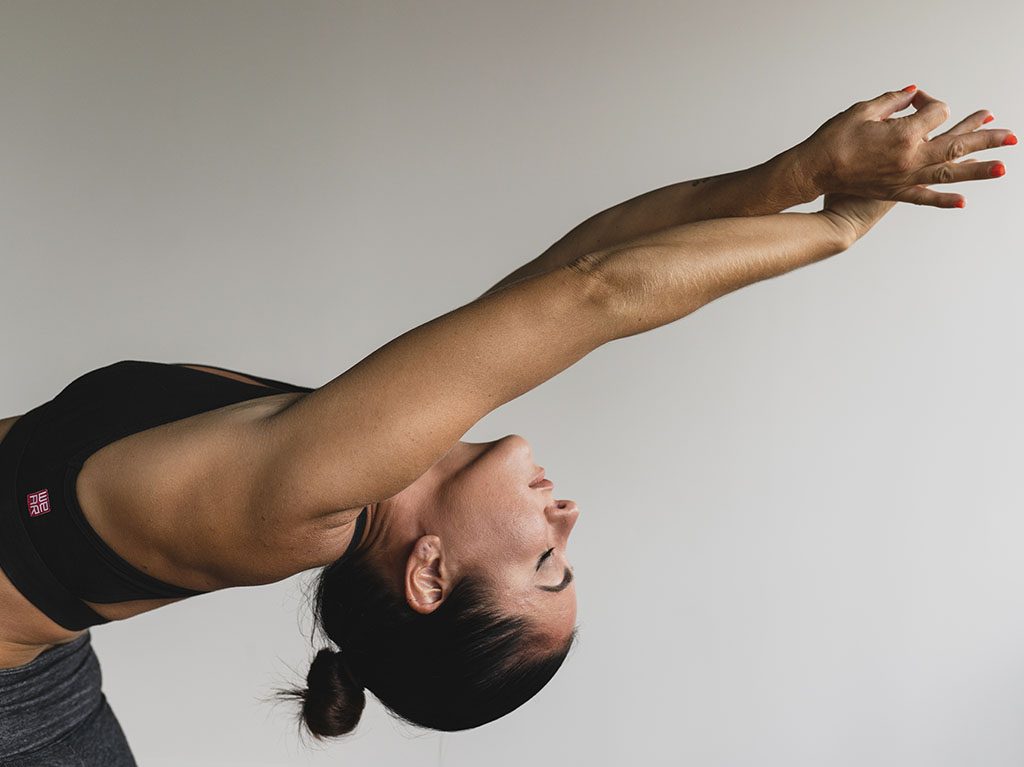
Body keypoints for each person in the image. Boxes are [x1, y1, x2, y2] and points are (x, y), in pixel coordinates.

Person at [0, 85, 1013, 763]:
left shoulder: (307, 497)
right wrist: (796, 175)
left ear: (430, 573)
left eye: (547, 564)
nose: (566, 516)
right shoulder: (365, 452)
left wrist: (835, 228)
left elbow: (596, 295)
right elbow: (583, 260)